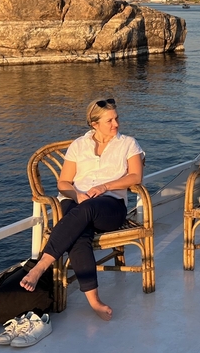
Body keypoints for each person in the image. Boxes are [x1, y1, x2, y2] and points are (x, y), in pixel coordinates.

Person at [21, 99, 144, 321]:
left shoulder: (128, 144)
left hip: (109, 204)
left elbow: (135, 176)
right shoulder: (79, 145)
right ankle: (94, 301)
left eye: (117, 118)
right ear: (94, 123)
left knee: (83, 212)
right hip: (77, 199)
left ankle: (41, 266)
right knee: (79, 234)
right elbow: (63, 183)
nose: (116, 124)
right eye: (110, 120)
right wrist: (77, 194)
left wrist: (105, 186)